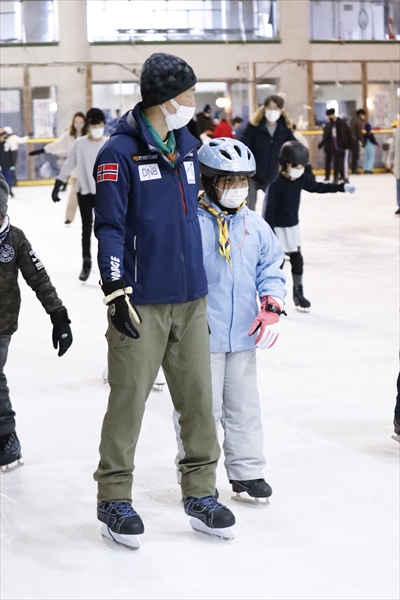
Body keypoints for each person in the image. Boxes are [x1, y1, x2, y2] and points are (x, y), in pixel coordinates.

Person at [93, 52, 235, 549]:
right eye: (189, 97)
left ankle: (200, 492)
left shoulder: (190, 148)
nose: (194, 106)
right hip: (141, 300)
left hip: (190, 298)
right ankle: (113, 497)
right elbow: (108, 227)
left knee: (198, 400)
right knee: (128, 399)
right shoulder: (119, 153)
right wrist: (115, 291)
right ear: (165, 100)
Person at [172, 138, 286, 504]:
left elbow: (270, 266)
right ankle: (197, 476)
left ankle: (248, 473)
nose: (238, 189)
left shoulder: (255, 225)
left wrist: (271, 303)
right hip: (200, 337)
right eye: (228, 181)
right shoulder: (191, 224)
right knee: (201, 413)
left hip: (242, 336)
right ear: (207, 181)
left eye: (242, 182)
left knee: (244, 409)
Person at [0, 174, 73, 470]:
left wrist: (59, 316)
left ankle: (7, 435)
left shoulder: (15, 238)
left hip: (2, 323)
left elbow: (39, 278)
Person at [263, 141, 355, 311]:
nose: (300, 169)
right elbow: (268, 212)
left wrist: (341, 187)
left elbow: (318, 187)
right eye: (297, 166)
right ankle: (273, 297)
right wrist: (270, 235)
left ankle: (298, 293)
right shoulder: (276, 186)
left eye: (302, 166)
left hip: (292, 228)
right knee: (277, 264)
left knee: (297, 260)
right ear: (286, 164)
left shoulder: (301, 179)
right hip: (277, 229)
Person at [51, 108, 107, 281]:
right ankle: (86, 263)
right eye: (95, 124)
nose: (98, 127)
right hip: (84, 192)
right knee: (86, 229)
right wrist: (59, 183)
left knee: (105, 230)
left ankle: (106, 266)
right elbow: (69, 164)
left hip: (104, 194)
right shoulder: (80, 144)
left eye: (100, 124)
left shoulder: (107, 143)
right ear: (89, 126)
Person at [30, 112, 87, 224]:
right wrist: (43, 150)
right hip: (75, 172)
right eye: (76, 122)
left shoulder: (88, 136)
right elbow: (57, 145)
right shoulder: (69, 135)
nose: (78, 124)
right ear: (73, 122)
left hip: (89, 172)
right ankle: (69, 217)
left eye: (81, 122)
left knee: (92, 197)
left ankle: (93, 218)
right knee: (73, 196)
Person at [241, 95, 295, 211]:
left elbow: (293, 148)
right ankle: (248, 229)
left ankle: (271, 229)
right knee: (248, 208)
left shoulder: (284, 130)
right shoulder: (253, 127)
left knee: (276, 208)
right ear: (264, 108)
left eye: (275, 108)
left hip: (273, 175)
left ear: (281, 111)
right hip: (252, 175)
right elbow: (243, 147)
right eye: (269, 107)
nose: (272, 111)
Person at [318, 108, 351, 184]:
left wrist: (342, 145)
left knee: (343, 163)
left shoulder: (340, 123)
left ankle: (344, 177)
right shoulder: (332, 124)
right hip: (335, 147)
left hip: (343, 147)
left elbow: (344, 136)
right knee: (337, 163)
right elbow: (329, 135)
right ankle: (336, 178)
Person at [350, 108, 367, 174]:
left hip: (352, 140)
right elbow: (359, 133)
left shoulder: (353, 119)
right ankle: (354, 170)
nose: (364, 117)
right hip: (354, 140)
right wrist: (363, 142)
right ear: (361, 114)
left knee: (354, 155)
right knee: (355, 155)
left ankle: (353, 169)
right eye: (364, 115)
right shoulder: (358, 121)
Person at [389, 121, 400, 215]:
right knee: (399, 185)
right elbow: (393, 146)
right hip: (399, 163)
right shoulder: (398, 130)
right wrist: (390, 158)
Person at [0, 129, 14, 197]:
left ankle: (9, 190)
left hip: (7, 165)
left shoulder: (7, 144)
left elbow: (10, 155)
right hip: (1, 166)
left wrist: (12, 164)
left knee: (8, 179)